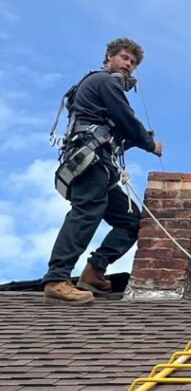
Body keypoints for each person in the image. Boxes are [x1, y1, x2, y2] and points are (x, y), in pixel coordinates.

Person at [43, 37, 163, 304]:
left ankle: (94, 272)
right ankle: (57, 278)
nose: (128, 65)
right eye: (124, 58)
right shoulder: (104, 81)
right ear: (109, 57)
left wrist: (136, 139)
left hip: (101, 166)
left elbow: (117, 129)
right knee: (86, 212)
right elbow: (126, 118)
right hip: (90, 161)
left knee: (132, 221)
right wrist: (149, 143)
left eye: (133, 62)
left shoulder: (102, 88)